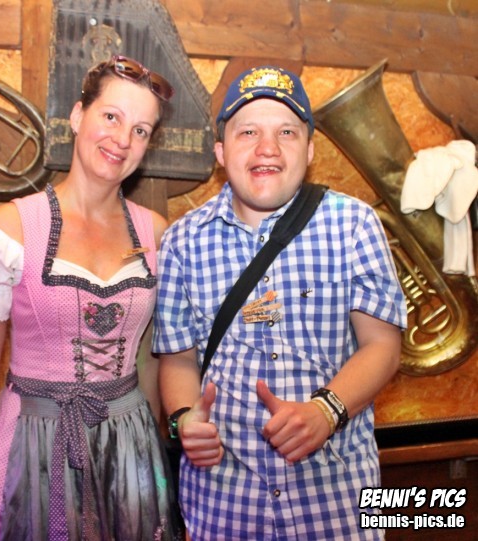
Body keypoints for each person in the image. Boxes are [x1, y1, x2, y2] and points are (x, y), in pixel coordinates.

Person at [152, 65, 407, 540]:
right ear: (221, 152)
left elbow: (382, 346)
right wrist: (185, 419)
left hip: (335, 502)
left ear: (309, 151)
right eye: (248, 131)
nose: (267, 147)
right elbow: (178, 360)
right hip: (224, 504)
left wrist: (326, 411)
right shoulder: (182, 242)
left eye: (286, 132)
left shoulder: (354, 225)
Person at [0, 55, 183, 541]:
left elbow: (149, 359)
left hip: (128, 447)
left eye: (140, 130)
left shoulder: (157, 234)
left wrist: (155, 452)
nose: (122, 139)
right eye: (111, 116)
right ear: (77, 115)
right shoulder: (10, 229)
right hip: (33, 441)